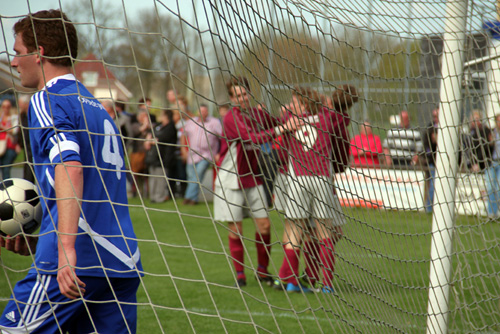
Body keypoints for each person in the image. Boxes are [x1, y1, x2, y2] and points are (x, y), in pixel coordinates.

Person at [1, 10, 143, 333]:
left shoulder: (47, 99)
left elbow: (70, 166)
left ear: (39, 55)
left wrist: (63, 247)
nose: (13, 62)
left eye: (18, 53)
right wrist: (43, 242)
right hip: (121, 265)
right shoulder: (97, 110)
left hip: (74, 264)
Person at [214, 76, 301, 288]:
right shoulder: (231, 118)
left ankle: (262, 270)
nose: (243, 98)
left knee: (264, 225)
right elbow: (251, 138)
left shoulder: (256, 114)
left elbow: (279, 123)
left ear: (249, 94)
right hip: (229, 179)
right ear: (232, 98)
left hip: (253, 178)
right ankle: (240, 274)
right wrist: (283, 128)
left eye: (245, 94)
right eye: (238, 95)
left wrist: (289, 112)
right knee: (236, 229)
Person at [273, 86, 346, 293]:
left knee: (294, 232)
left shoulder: (289, 120)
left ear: (304, 104)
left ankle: (291, 282)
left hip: (297, 180)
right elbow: (343, 118)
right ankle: (327, 285)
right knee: (325, 233)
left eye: (296, 102)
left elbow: (281, 113)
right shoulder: (327, 117)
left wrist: (286, 117)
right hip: (322, 179)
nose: (291, 104)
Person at [180, 104, 222, 205]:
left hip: (206, 155)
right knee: (191, 176)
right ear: (197, 112)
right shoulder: (190, 122)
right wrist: (183, 150)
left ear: (207, 112)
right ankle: (194, 199)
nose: (202, 113)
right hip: (192, 155)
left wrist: (219, 152)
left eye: (204, 111)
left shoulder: (214, 122)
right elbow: (183, 135)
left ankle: (188, 197)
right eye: (201, 111)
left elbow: (222, 137)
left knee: (197, 175)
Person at [144, 109, 177, 203]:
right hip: (153, 156)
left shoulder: (171, 127)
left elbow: (161, 139)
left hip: (163, 157)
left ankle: (160, 197)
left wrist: (151, 141)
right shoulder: (159, 126)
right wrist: (149, 138)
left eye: (162, 115)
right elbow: (151, 134)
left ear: (166, 116)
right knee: (153, 177)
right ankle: (153, 196)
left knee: (161, 178)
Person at [466, 111, 495, 217]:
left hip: (486, 164)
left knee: (492, 188)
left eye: (477, 119)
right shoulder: (471, 132)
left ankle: (492, 212)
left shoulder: (485, 131)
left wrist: (480, 164)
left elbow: (486, 149)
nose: (474, 121)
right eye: (473, 119)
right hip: (473, 165)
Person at [422, 108, 439, 212]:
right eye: (434, 116)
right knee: (432, 185)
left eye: (437, 116)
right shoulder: (430, 128)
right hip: (433, 161)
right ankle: (429, 208)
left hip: (445, 162)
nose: (435, 118)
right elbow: (426, 144)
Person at [16, 94, 35, 182]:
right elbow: (20, 131)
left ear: (26, 103)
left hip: (34, 145)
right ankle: (27, 182)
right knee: (27, 166)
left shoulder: (34, 114)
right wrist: (19, 143)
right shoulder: (22, 116)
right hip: (26, 145)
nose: (19, 105)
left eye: (20, 103)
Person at [0, 99, 19, 180]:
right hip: (0, 146)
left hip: (9, 146)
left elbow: (14, 131)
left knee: (6, 169)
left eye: (8, 107)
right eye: (4, 106)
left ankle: (6, 189)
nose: (5, 109)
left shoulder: (13, 118)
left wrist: (3, 127)